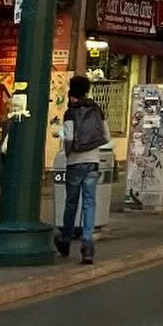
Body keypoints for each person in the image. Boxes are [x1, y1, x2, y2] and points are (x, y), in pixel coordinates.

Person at [55, 75, 110, 264]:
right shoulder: (96, 109)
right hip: (93, 162)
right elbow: (107, 135)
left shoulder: (71, 113)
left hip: (75, 163)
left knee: (71, 203)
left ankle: (65, 238)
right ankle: (87, 244)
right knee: (89, 203)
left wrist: (68, 150)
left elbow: (68, 137)